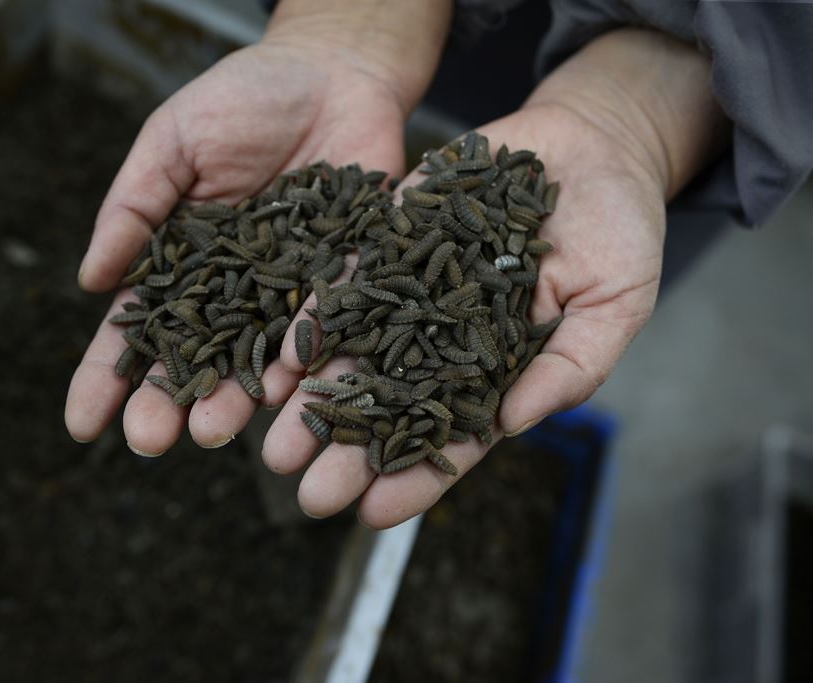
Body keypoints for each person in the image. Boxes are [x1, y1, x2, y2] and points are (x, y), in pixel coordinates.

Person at [64, 0, 812, 529]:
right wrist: (351, 21)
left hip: (704, 93)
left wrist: (644, 113)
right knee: (299, 380)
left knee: (570, 296)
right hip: (424, 41)